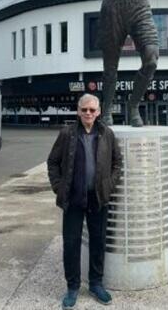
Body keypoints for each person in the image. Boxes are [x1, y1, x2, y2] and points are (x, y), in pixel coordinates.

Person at [47, 94, 122, 308]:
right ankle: (72, 287)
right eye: (84, 110)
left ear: (98, 112)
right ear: (78, 111)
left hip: (97, 198)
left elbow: (117, 162)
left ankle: (96, 283)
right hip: (72, 198)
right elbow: (52, 162)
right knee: (71, 244)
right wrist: (59, 188)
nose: (88, 113)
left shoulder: (106, 133)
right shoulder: (67, 134)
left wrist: (109, 185)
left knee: (98, 242)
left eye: (92, 110)